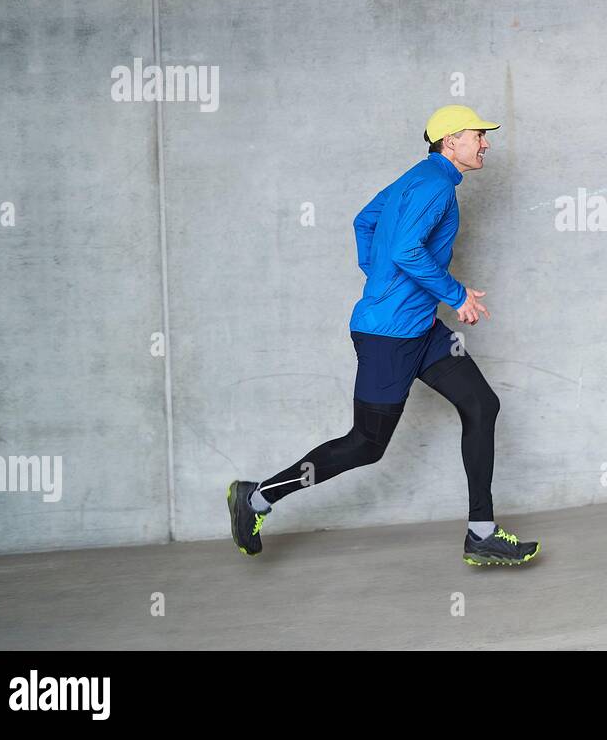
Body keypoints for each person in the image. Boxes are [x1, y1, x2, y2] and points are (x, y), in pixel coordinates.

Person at [227, 104, 540, 567]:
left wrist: (380, 277)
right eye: (478, 135)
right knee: (366, 446)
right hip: (388, 338)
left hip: (423, 331)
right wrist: (455, 294)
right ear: (450, 141)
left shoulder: (417, 178)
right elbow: (405, 248)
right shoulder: (435, 187)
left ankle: (481, 533)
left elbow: (364, 222)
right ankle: (256, 497)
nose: (486, 143)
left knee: (481, 404)